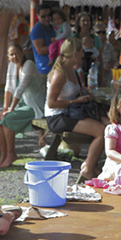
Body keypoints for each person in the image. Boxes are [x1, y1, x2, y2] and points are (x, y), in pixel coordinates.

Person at [45, 37, 109, 181]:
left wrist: (84, 94)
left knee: (108, 125)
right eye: (80, 51)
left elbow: (74, 92)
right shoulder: (59, 74)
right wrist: (75, 100)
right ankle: (88, 169)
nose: (82, 54)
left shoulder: (71, 70)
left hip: (71, 112)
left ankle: (94, 166)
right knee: (101, 131)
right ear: (74, 53)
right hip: (57, 117)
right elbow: (51, 103)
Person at [0, 44, 46, 168]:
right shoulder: (12, 66)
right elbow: (9, 88)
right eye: (11, 54)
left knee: (8, 119)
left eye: (17, 53)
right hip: (23, 104)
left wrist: (10, 110)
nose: (14, 56)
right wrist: (4, 109)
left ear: (22, 53)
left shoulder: (29, 65)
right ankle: (4, 155)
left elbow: (20, 89)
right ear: (8, 57)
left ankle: (11, 155)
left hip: (35, 106)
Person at [30, 4, 57, 91]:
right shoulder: (37, 29)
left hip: (56, 68)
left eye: (49, 15)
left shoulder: (53, 27)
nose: (47, 18)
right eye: (43, 16)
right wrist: (59, 46)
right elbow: (40, 50)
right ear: (37, 16)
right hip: (45, 70)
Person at [74, 12, 104, 86]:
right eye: (83, 20)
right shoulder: (73, 38)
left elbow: (100, 58)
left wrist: (102, 77)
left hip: (93, 73)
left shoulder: (96, 39)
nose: (86, 22)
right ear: (79, 23)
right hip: (77, 72)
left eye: (88, 20)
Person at [95, 23, 117, 87]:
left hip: (107, 75)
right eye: (98, 32)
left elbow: (113, 60)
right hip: (95, 75)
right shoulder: (93, 46)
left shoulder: (109, 46)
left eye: (103, 32)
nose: (101, 34)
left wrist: (106, 69)